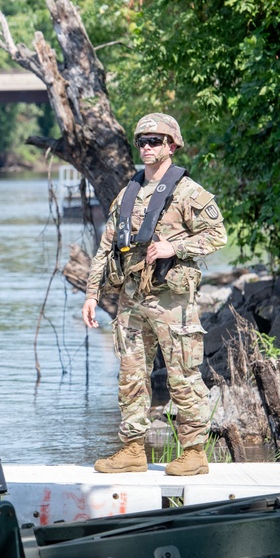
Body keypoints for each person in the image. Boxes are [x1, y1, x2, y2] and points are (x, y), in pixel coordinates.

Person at [82, 113, 227, 476]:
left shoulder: (189, 192)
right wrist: (91, 294)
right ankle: (132, 449)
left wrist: (172, 248)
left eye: (156, 141)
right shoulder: (128, 192)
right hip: (131, 300)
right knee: (130, 376)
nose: (147, 147)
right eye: (142, 141)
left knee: (182, 375)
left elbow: (217, 236)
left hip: (172, 302)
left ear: (172, 145)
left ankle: (194, 453)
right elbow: (105, 247)